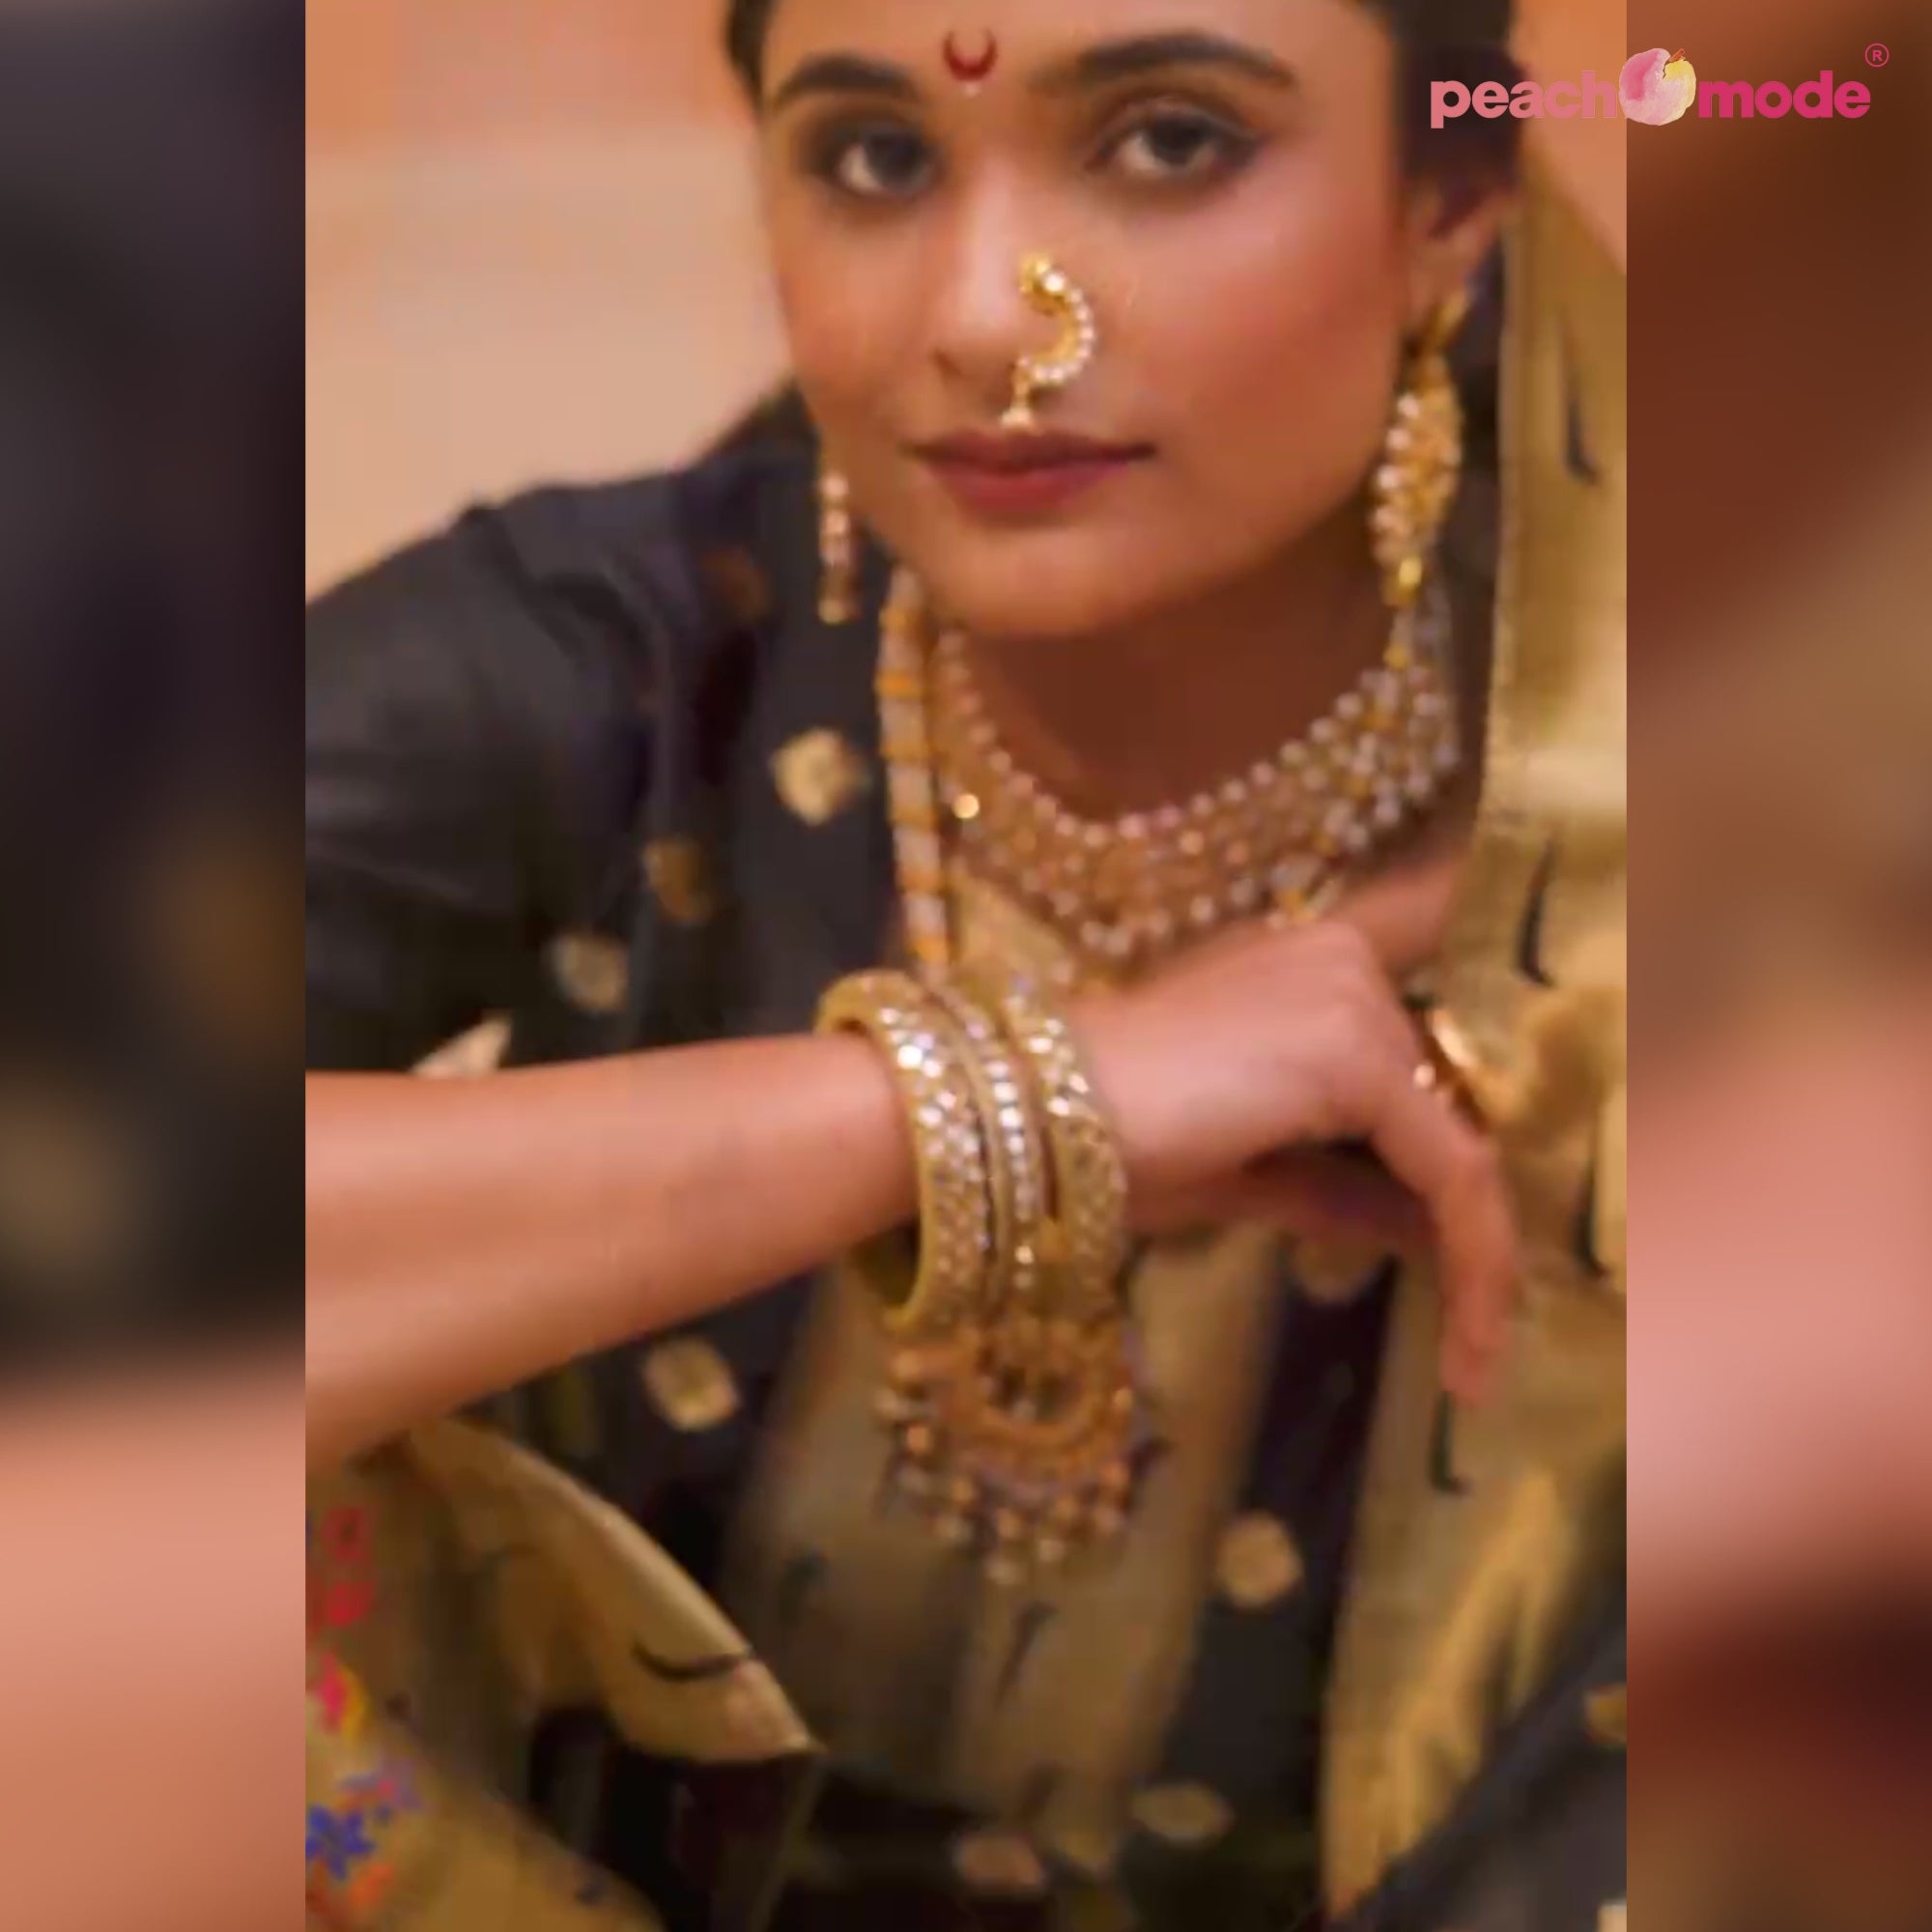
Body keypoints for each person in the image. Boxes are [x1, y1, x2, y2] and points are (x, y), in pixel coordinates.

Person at [304, 1, 1627, 1927]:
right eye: (873, 156)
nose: (992, 323)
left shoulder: (1687, 847)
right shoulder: (646, 651)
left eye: (1170, 143)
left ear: (1450, 205)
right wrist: (985, 1111)